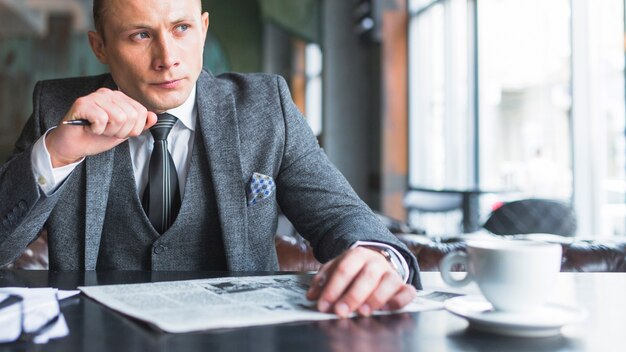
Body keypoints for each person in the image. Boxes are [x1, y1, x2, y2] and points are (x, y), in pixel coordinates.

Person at [0, 0, 420, 318]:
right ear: (100, 47)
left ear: (202, 29)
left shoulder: (265, 106)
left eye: (181, 28)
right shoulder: (58, 108)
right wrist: (56, 153)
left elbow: (339, 215)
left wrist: (377, 256)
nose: (168, 58)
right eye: (140, 36)